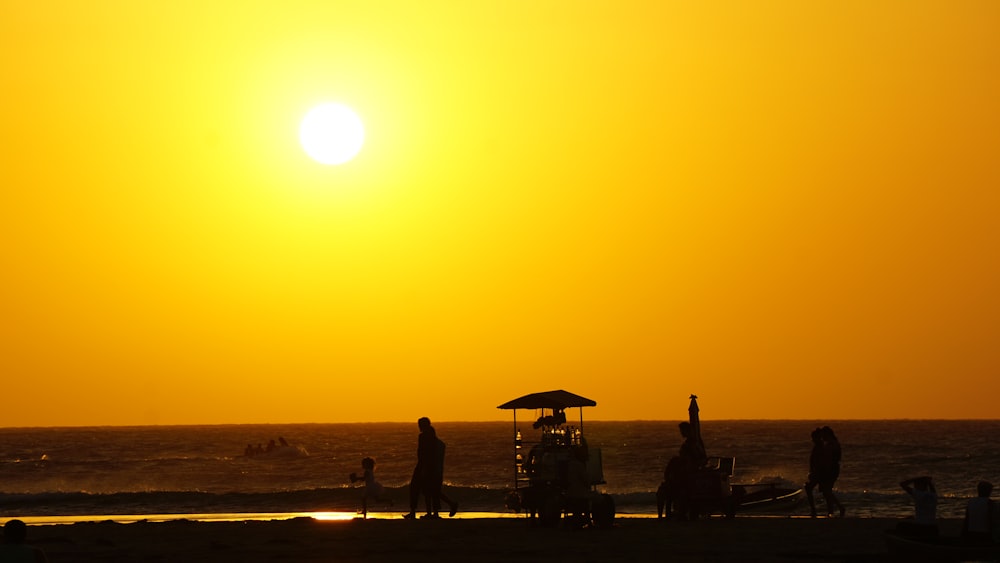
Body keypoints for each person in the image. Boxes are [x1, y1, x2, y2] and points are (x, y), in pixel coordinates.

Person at [656, 395, 708, 519]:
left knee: (668, 489)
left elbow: (694, 459)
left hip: (687, 477)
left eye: (682, 431)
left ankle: (665, 514)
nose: (681, 434)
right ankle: (668, 512)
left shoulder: (692, 444)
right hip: (685, 474)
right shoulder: (692, 443)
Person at [404, 417, 457, 519]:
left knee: (417, 488)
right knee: (430, 490)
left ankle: (417, 512)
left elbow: (424, 453)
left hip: (425, 465)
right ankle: (437, 511)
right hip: (430, 466)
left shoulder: (424, 436)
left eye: (420, 425)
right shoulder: (432, 435)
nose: (418, 427)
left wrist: (424, 468)